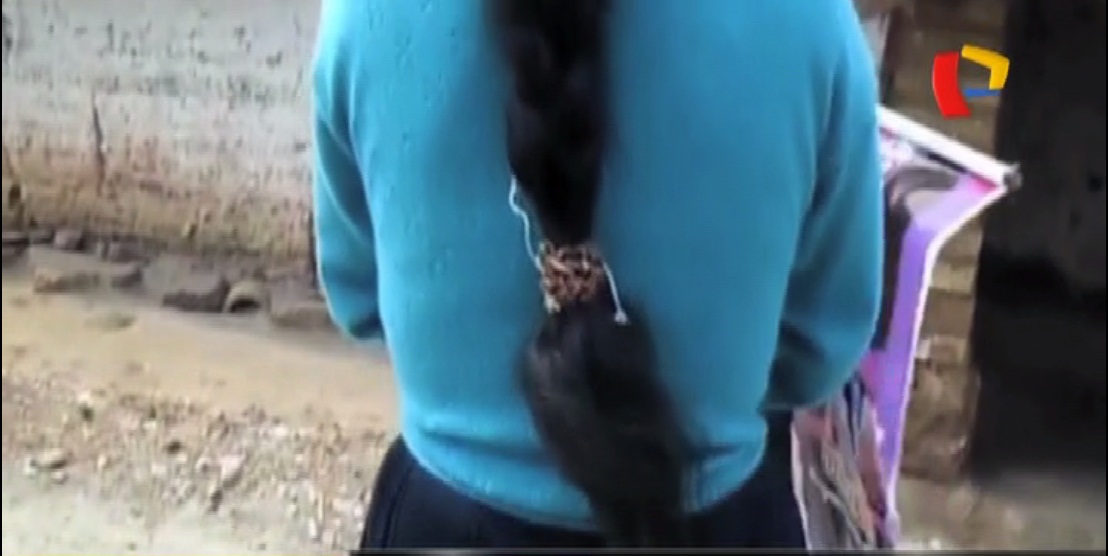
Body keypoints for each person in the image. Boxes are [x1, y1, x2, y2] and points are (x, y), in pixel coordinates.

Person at [311, 0, 883, 549]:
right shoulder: (811, 19)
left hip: (442, 521)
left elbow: (357, 295)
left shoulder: (368, 13)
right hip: (716, 522)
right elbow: (821, 346)